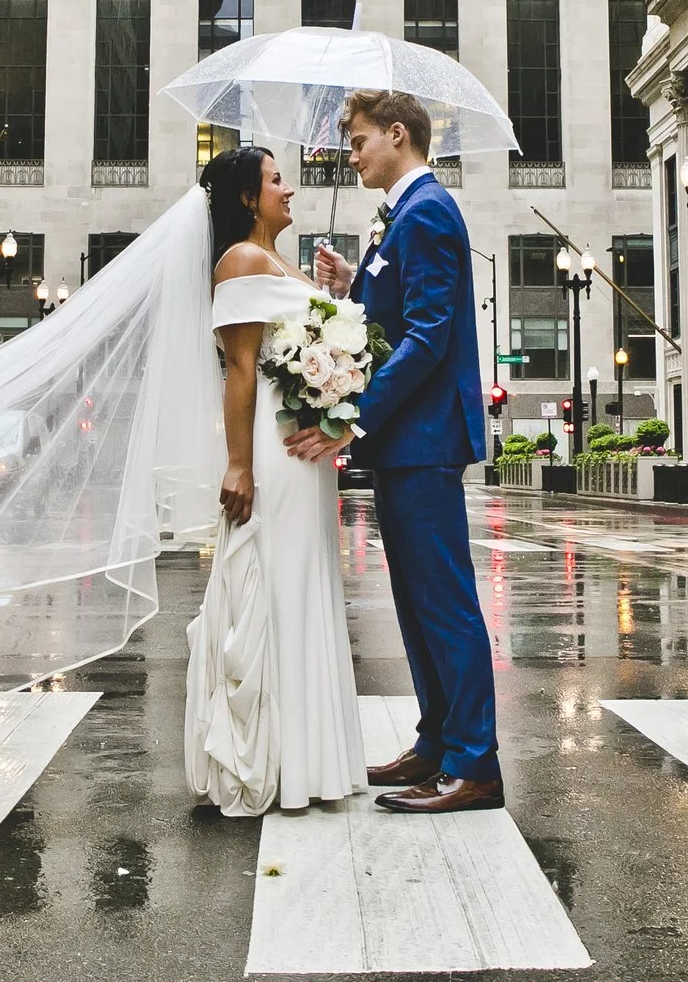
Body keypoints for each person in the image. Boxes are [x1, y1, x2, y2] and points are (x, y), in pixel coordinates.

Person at [305, 90, 503, 814]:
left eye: (358, 140)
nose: (350, 153)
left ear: (398, 134)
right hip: (406, 442)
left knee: (444, 600)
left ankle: (475, 762)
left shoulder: (425, 214)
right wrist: (351, 282)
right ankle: (438, 739)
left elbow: (425, 337)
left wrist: (350, 416)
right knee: (417, 603)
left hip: (423, 438)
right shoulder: (403, 218)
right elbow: (395, 314)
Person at [182, 146, 367, 815]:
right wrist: (238, 463)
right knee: (276, 577)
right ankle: (273, 760)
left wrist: (336, 303)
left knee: (306, 578)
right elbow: (240, 368)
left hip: (304, 451)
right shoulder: (239, 261)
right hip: (268, 445)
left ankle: (307, 760)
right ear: (245, 198)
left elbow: (311, 351)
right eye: (275, 180)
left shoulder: (281, 261)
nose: (288, 189)